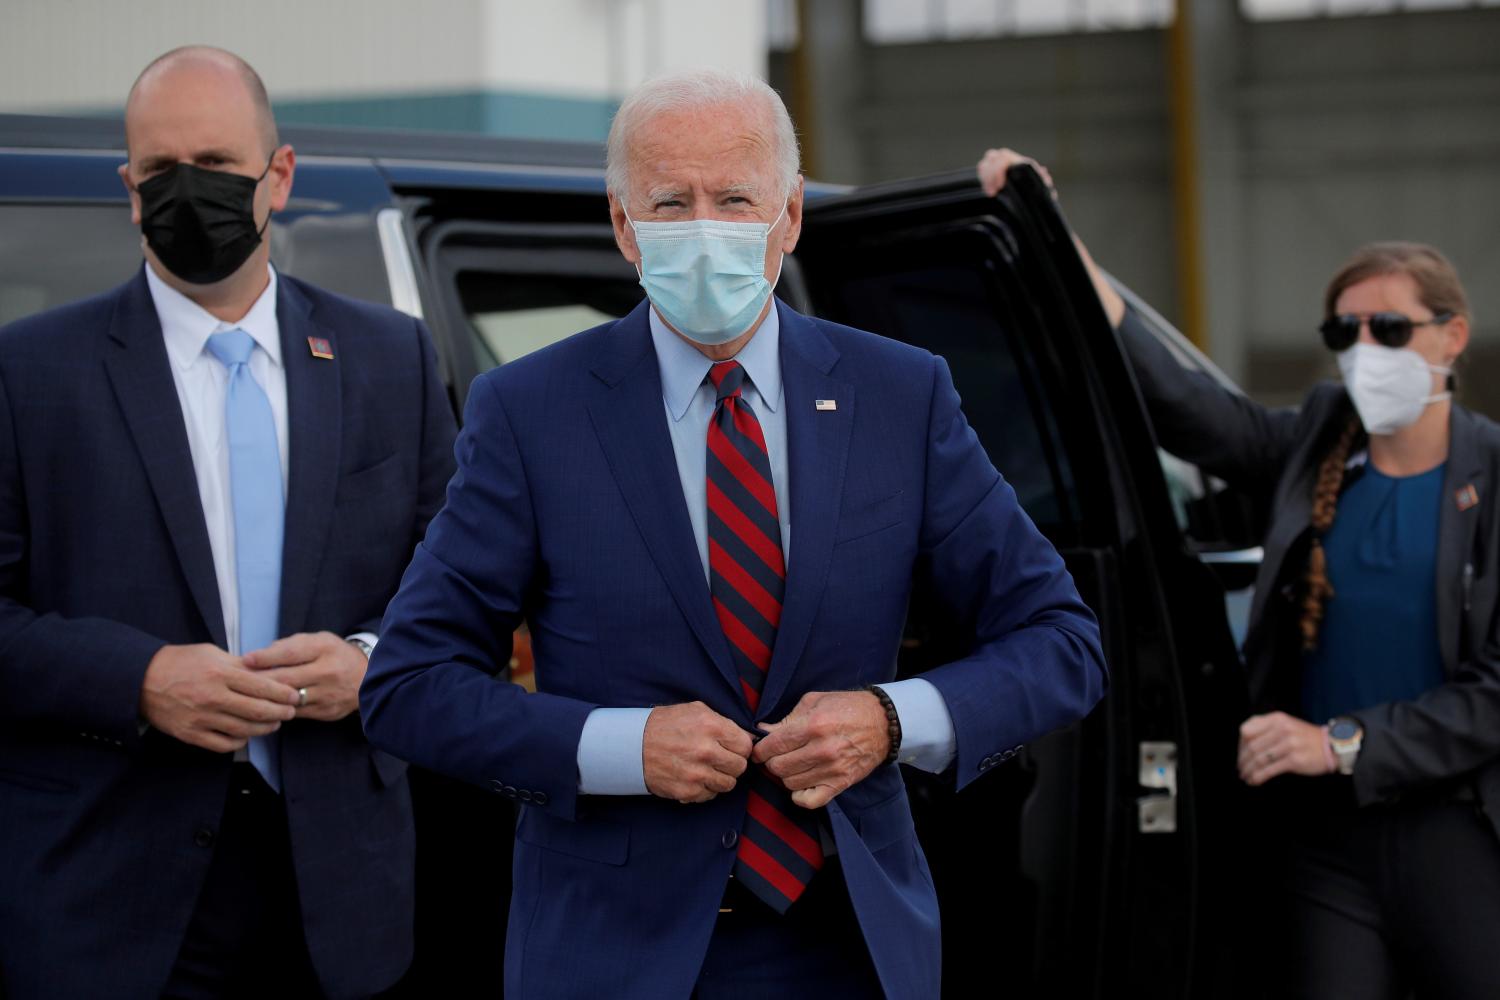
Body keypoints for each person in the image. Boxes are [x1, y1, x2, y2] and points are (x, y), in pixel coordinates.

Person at [360, 73, 1106, 1000]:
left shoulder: (899, 395)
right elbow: (408, 686)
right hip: (617, 953)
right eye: (671, 201)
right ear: (626, 226)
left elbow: (1063, 642)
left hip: (849, 943)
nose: (704, 226)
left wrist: (889, 720)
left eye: (736, 198)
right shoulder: (530, 411)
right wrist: (619, 747)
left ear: (788, 216)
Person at [979, 148, 1500, 997]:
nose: (1364, 350)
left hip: (1459, 829)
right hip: (1322, 843)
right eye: (1345, 331)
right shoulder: (1319, 439)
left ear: (1452, 335)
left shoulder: (1496, 477)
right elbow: (1187, 406)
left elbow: (1495, 691)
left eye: (1390, 329)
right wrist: (1056, 237)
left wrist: (1342, 743)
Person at [0, 47, 456, 1000]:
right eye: (159, 172)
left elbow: (459, 587)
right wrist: (141, 680)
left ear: (277, 176)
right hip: (110, 897)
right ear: (129, 191)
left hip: (340, 894)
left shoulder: (389, 357)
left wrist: (373, 662)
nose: (186, 192)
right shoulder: (30, 371)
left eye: (215, 163)